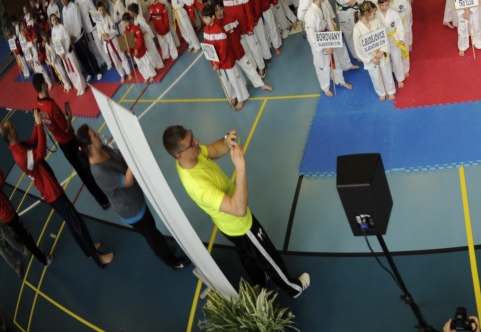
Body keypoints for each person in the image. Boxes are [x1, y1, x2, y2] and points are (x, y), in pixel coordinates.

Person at [163, 125, 310, 297]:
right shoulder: (198, 185)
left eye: (192, 136)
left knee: (246, 253)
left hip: (226, 225)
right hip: (239, 224)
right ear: (179, 155)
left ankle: (259, 281)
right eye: (191, 143)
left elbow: (213, 149)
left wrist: (226, 141)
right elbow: (238, 209)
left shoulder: (192, 155)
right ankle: (293, 289)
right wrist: (240, 168)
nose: (197, 142)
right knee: (268, 256)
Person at [1, 114, 113, 267]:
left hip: (50, 189)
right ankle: (98, 258)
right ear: (9, 135)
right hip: (52, 192)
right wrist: (39, 125)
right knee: (76, 221)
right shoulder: (20, 155)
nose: (15, 126)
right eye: (12, 127)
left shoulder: (18, 146)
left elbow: (32, 141)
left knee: (71, 222)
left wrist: (36, 123)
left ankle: (88, 250)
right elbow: (40, 152)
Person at [76, 125, 188, 270]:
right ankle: (172, 261)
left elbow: (121, 161)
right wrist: (133, 157)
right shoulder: (100, 172)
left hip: (136, 199)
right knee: (152, 235)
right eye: (94, 135)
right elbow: (128, 181)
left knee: (152, 229)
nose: (98, 133)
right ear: (90, 147)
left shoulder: (103, 149)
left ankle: (162, 250)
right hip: (131, 210)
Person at [32, 74, 110, 209]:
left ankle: (101, 198)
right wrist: (69, 116)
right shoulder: (51, 106)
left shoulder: (37, 105)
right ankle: (103, 197)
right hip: (70, 142)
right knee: (86, 169)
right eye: (45, 81)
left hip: (62, 144)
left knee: (82, 171)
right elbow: (66, 128)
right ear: (43, 85)